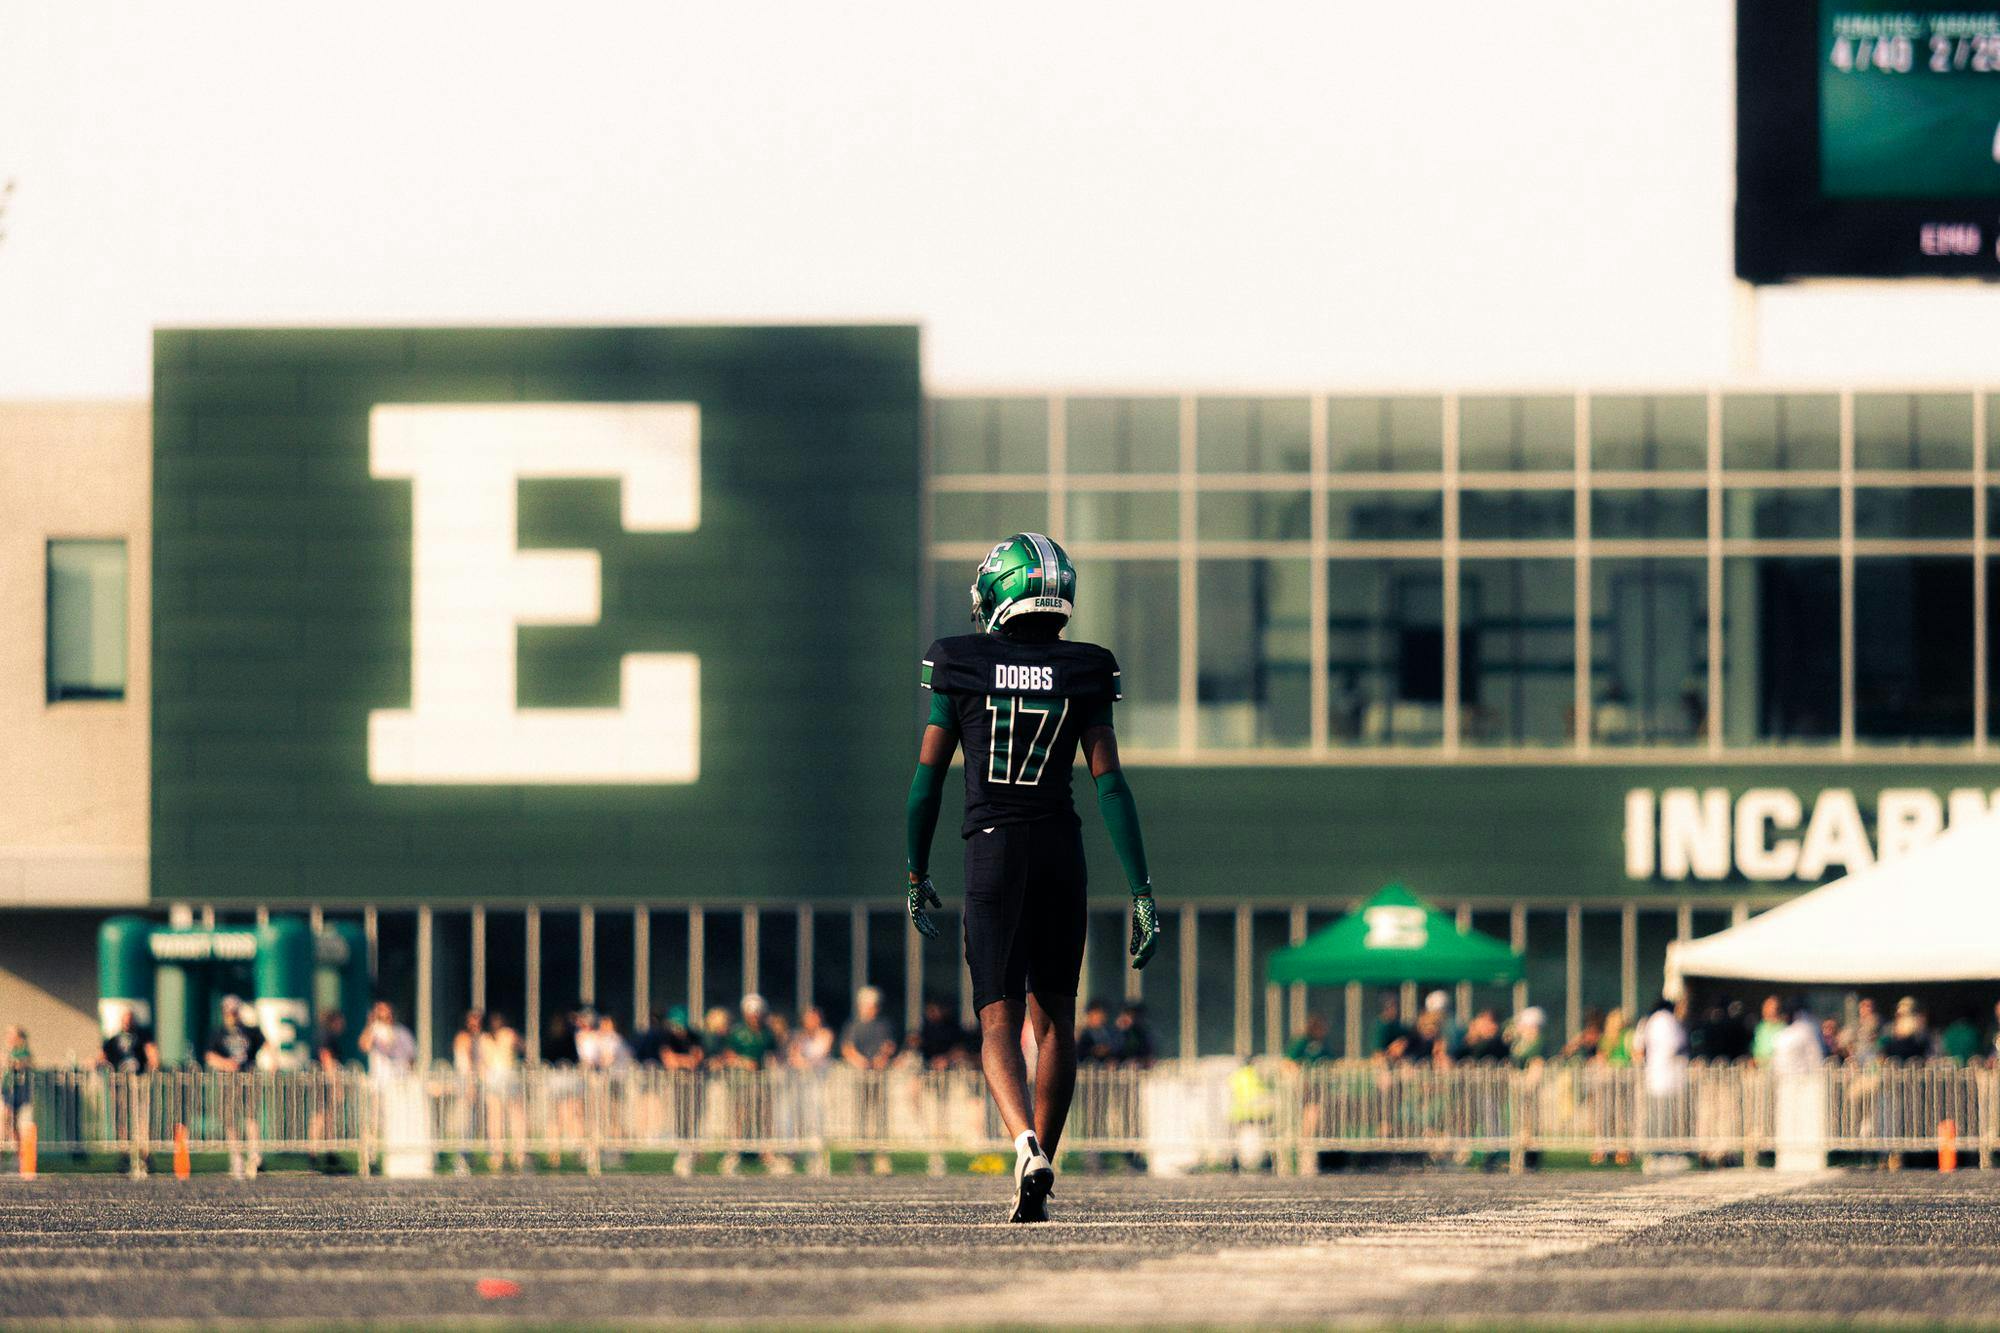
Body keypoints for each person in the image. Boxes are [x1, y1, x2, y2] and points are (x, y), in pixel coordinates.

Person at [902, 533, 1161, 1223]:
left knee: (997, 1016)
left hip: (993, 847)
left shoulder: (959, 658)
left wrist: (915, 867)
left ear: (1002, 589)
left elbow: (926, 782)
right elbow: (1111, 787)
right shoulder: (1086, 667)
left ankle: (1022, 1142)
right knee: (1057, 1024)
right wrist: (1141, 891)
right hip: (1060, 848)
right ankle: (1045, 1152)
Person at [205, 997, 266, 1179]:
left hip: (247, 1079)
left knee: (250, 1118)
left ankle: (254, 1155)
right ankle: (236, 1155)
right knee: (231, 1120)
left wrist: (271, 1060)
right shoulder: (218, 1033)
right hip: (228, 1082)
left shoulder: (250, 1031)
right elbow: (210, 1055)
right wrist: (225, 1063)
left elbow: (265, 1044)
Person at [841, 986, 900, 1176]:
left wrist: (880, 1059)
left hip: (878, 1077)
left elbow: (889, 1046)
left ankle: (882, 1157)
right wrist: (860, 1062)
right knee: (861, 1118)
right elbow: (847, 1048)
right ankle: (861, 1157)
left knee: (881, 1117)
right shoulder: (854, 1025)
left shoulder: (883, 1025)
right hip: (860, 1078)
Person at [98, 1009, 159, 1178]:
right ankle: (125, 1154)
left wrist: (152, 1069)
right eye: (125, 1019)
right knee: (122, 1119)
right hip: (121, 1084)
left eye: (130, 1019)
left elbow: (152, 1055)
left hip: (139, 1082)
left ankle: (144, 1155)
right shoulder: (114, 1039)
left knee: (142, 1119)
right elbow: (102, 1056)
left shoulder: (142, 1036)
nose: (127, 1022)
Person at [1634, 997, 1689, 1171]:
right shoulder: (1667, 1020)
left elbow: (1638, 1048)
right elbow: (1676, 1045)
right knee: (1665, 1120)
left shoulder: (1648, 1021)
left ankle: (1653, 1157)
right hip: (1667, 1077)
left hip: (1653, 1075)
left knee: (1654, 1119)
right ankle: (1664, 1155)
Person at [1, 1026, 32, 1157]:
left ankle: (10, 1152)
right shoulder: (11, 1051)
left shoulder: (23, 1052)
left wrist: (8, 1061)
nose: (8, 1038)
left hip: (17, 1091)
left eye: (11, 1035)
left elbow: (23, 1064)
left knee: (7, 1119)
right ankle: (17, 1153)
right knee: (9, 1121)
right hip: (8, 1089)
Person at [1076, 999, 1118, 1066]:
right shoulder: (1084, 1033)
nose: (1100, 1017)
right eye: (1096, 1014)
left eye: (1102, 1014)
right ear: (1089, 1015)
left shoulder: (1109, 1033)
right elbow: (1081, 1052)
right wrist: (1094, 1051)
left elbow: (1116, 1050)